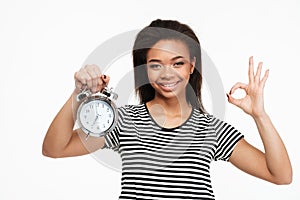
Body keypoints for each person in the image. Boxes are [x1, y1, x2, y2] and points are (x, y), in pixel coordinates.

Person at [42, 19, 292, 199]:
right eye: (156, 65)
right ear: (144, 69)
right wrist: (79, 93)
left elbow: (281, 175)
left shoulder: (211, 129)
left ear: (191, 66)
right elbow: (55, 148)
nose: (167, 74)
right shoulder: (124, 121)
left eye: (178, 63)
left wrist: (260, 115)